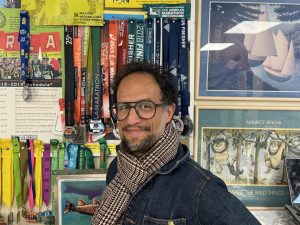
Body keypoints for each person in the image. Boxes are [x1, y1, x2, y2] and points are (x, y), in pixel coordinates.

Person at [91, 62, 261, 225]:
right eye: (124, 107)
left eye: (145, 106)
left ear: (168, 112)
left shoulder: (200, 189)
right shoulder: (118, 169)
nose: (131, 119)